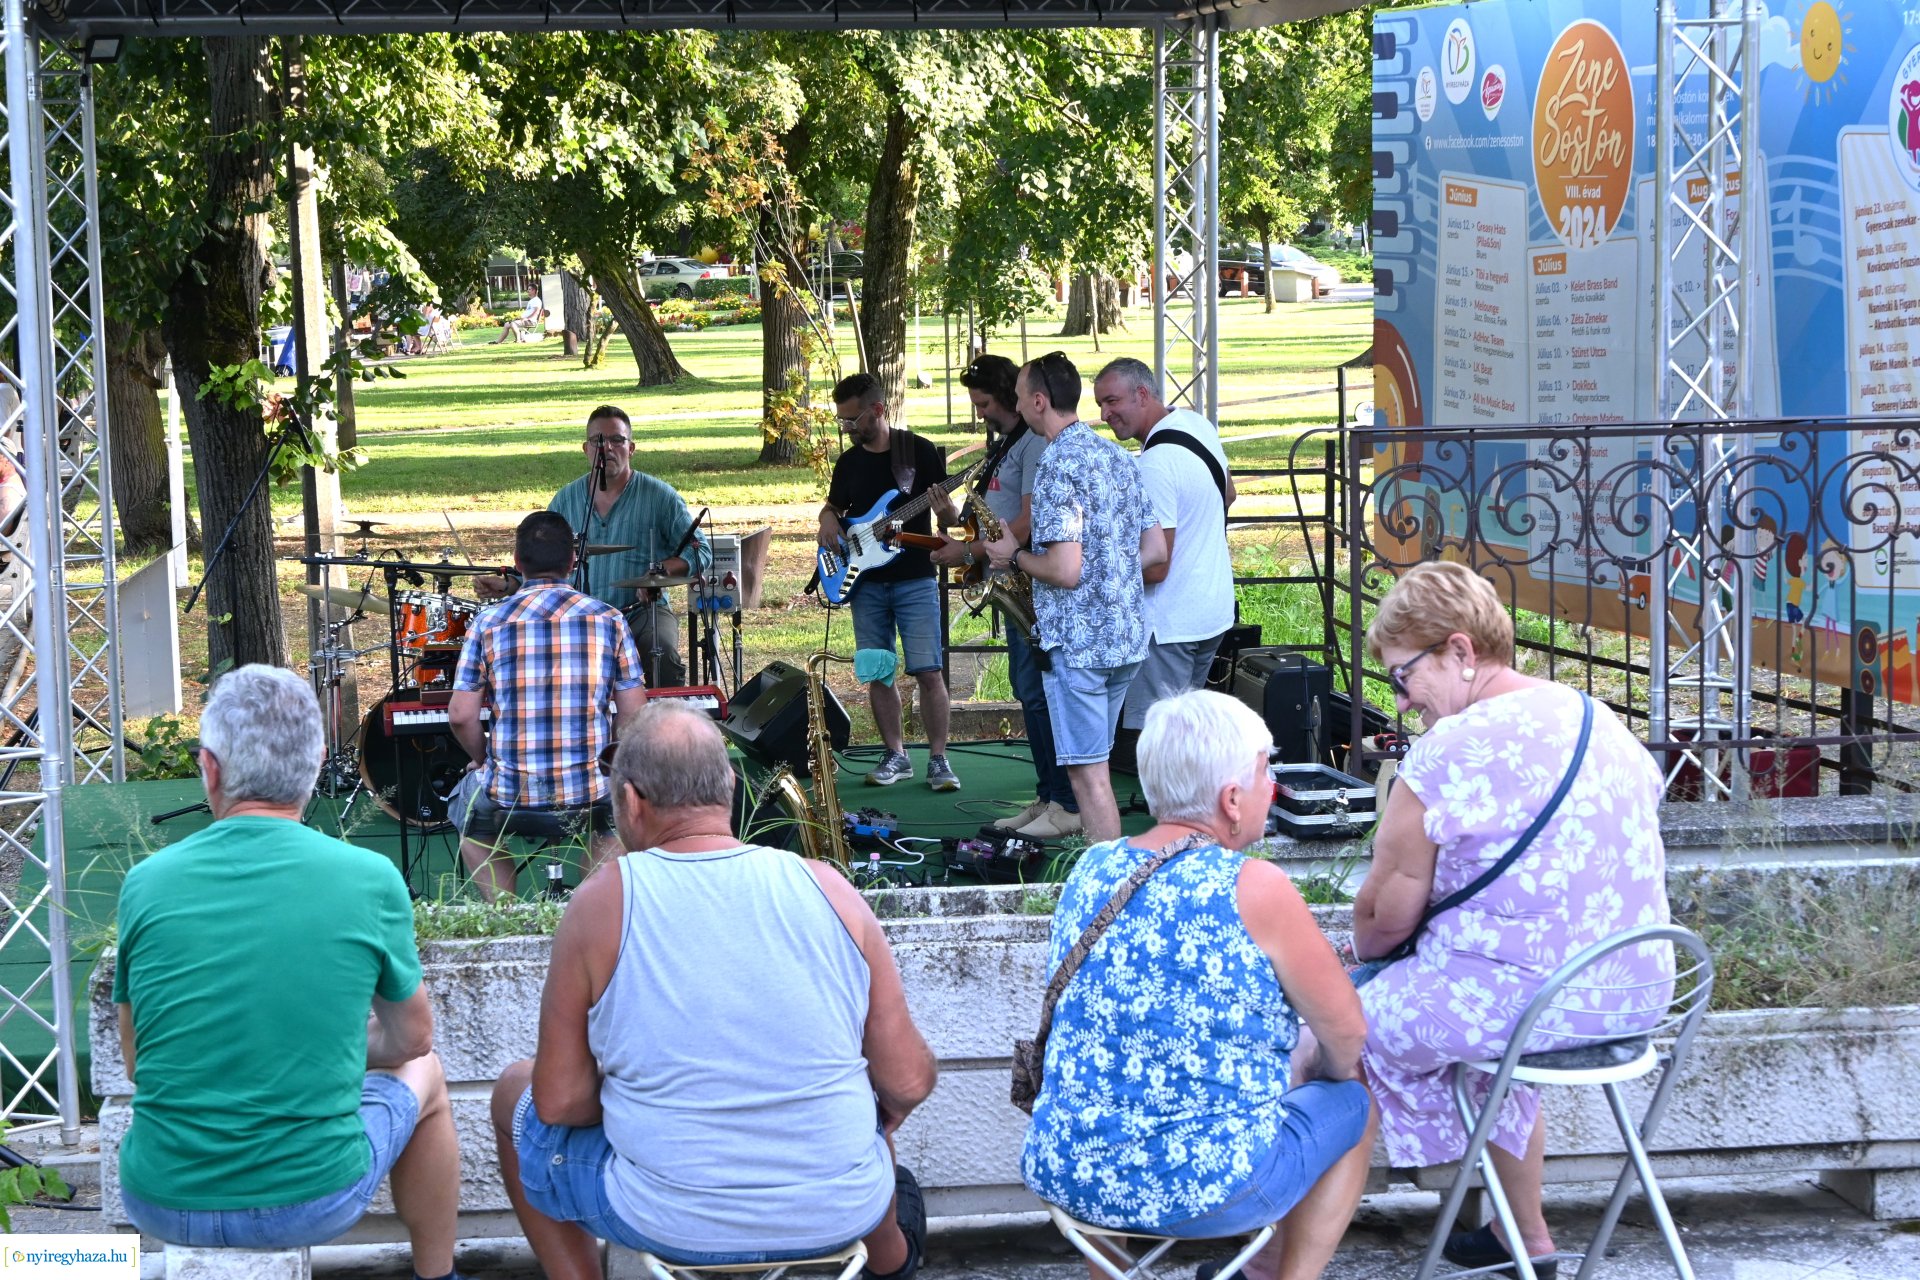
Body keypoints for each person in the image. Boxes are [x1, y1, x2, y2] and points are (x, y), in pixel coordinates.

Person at [489, 701, 938, 1280]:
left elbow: (559, 1102)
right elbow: (907, 1080)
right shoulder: (829, 887)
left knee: (513, 1090)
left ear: (631, 801)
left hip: (666, 1220)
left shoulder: (601, 901)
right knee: (862, 1099)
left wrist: (649, 1097)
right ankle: (891, 1260)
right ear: (729, 785)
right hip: (839, 1211)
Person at [1356, 561, 1675, 1280]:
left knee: (1335, 1024)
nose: (1400, 702)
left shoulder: (1447, 752)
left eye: (1404, 677)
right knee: (1501, 1024)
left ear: (1459, 651)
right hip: (1630, 999)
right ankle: (1522, 1235)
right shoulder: (1600, 719)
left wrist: (1360, 949)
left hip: (1527, 1005)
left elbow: (1383, 919)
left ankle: (1274, 1259)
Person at [112, 666, 466, 1280]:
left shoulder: (145, 883)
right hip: (309, 1201)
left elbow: (140, 1062)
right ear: (318, 764)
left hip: (160, 1198)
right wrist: (321, 1047)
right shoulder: (370, 877)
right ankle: (437, 1275)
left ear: (210, 768)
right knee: (426, 1072)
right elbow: (413, 1039)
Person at [1022, 690, 1376, 1280]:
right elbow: (1348, 1036)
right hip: (1208, 1191)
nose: (1274, 786)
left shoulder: (1092, 868)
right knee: (1354, 1101)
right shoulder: (1256, 887)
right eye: (1266, 771)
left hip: (1067, 1172)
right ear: (1231, 800)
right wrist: (1319, 1068)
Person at [980, 352, 1167, 841]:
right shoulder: (1116, 456)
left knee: (1089, 776)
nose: (1016, 406)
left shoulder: (1056, 464)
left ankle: (1106, 873)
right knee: (1095, 768)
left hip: (1080, 647)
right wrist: (1108, 569)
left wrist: (1012, 555)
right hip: (1126, 638)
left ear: (1040, 401)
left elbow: (1064, 571)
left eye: (1020, 398)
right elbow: (1154, 549)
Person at [451, 510, 648, 901]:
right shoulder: (609, 619)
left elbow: (460, 716)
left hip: (509, 790)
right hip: (590, 785)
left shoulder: (487, 623)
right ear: (572, 561)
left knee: (469, 816)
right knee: (613, 818)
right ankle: (591, 906)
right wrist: (612, 763)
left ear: (517, 562)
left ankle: (505, 912)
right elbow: (633, 713)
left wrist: (482, 759)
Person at [930, 354, 1077, 838]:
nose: (982, 414)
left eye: (987, 404)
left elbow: (1027, 523)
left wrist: (967, 551)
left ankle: (1064, 802)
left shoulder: (1034, 444)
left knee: (1038, 695)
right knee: (1028, 692)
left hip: (1030, 583)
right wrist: (958, 523)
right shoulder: (1011, 442)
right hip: (1012, 579)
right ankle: (1047, 796)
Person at [478, 406, 711, 688]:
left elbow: (700, 550)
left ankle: (666, 714)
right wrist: (508, 585)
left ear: (631, 448)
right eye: (598, 441)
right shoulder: (566, 500)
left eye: (617, 440)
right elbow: (541, 561)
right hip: (573, 612)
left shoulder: (660, 496)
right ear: (586, 449)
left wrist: (660, 572)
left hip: (641, 612)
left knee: (660, 649)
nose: (607, 448)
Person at [818, 372, 962, 792]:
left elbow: (949, 518)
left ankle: (938, 759)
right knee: (878, 670)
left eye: (852, 419)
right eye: (842, 420)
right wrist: (827, 519)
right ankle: (895, 754)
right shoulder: (849, 462)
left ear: (878, 410)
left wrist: (947, 511)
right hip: (865, 583)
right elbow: (834, 506)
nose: (847, 428)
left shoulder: (918, 451)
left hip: (914, 577)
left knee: (928, 670)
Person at [1092, 358, 1237, 736]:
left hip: (1169, 625)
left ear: (1142, 394)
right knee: (1187, 736)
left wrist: (1089, 573)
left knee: (1160, 743)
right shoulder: (1196, 424)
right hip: (1211, 612)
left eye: (1111, 401)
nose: (1104, 415)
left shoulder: (1153, 464)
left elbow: (1157, 566)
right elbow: (1229, 493)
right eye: (1100, 405)